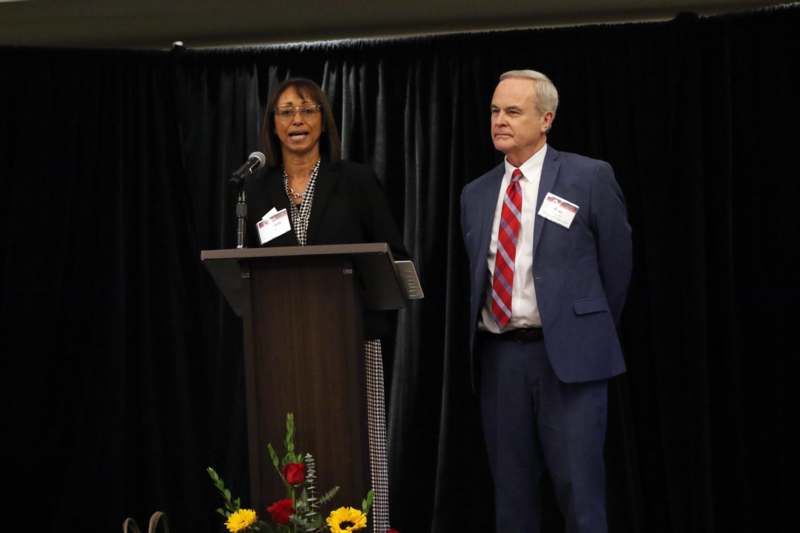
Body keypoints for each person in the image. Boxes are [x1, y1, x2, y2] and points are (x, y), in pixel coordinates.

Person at [460, 70, 632, 533]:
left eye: (513, 111)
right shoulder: (474, 195)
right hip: (500, 361)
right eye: (495, 110)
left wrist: (579, 330)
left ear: (546, 119)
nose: (499, 120)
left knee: (580, 497)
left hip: (570, 363)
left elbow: (617, 266)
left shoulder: (588, 176)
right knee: (511, 501)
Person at [244, 78, 405, 533]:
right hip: (278, 351)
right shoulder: (256, 191)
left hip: (350, 343)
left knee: (355, 451)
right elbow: (243, 272)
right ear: (272, 126)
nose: (297, 120)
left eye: (308, 110)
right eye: (286, 112)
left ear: (323, 122)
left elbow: (393, 257)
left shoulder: (353, 181)